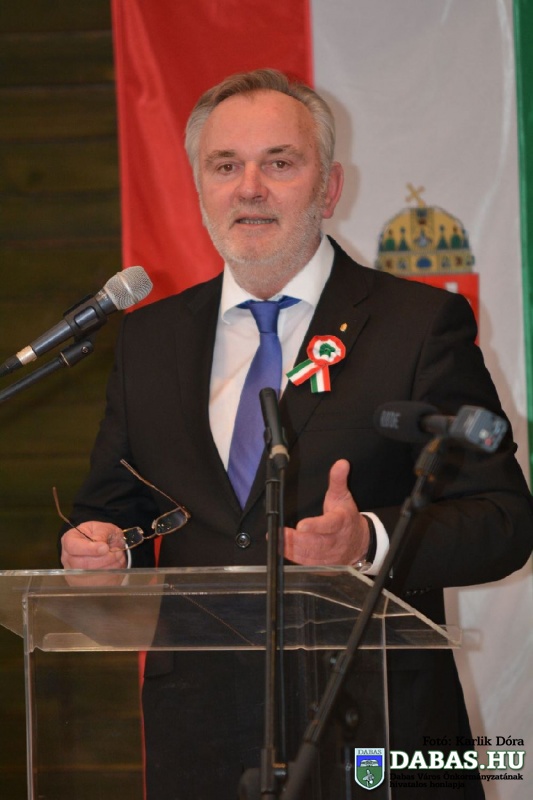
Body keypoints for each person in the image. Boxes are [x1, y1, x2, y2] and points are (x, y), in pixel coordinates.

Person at [60, 69, 533, 799]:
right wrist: (97, 548)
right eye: (225, 166)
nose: (249, 188)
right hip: (200, 741)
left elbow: (504, 521)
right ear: (200, 186)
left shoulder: (416, 326)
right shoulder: (150, 340)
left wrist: (367, 541)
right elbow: (112, 510)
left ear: (329, 187)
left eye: (279, 163)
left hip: (375, 732)